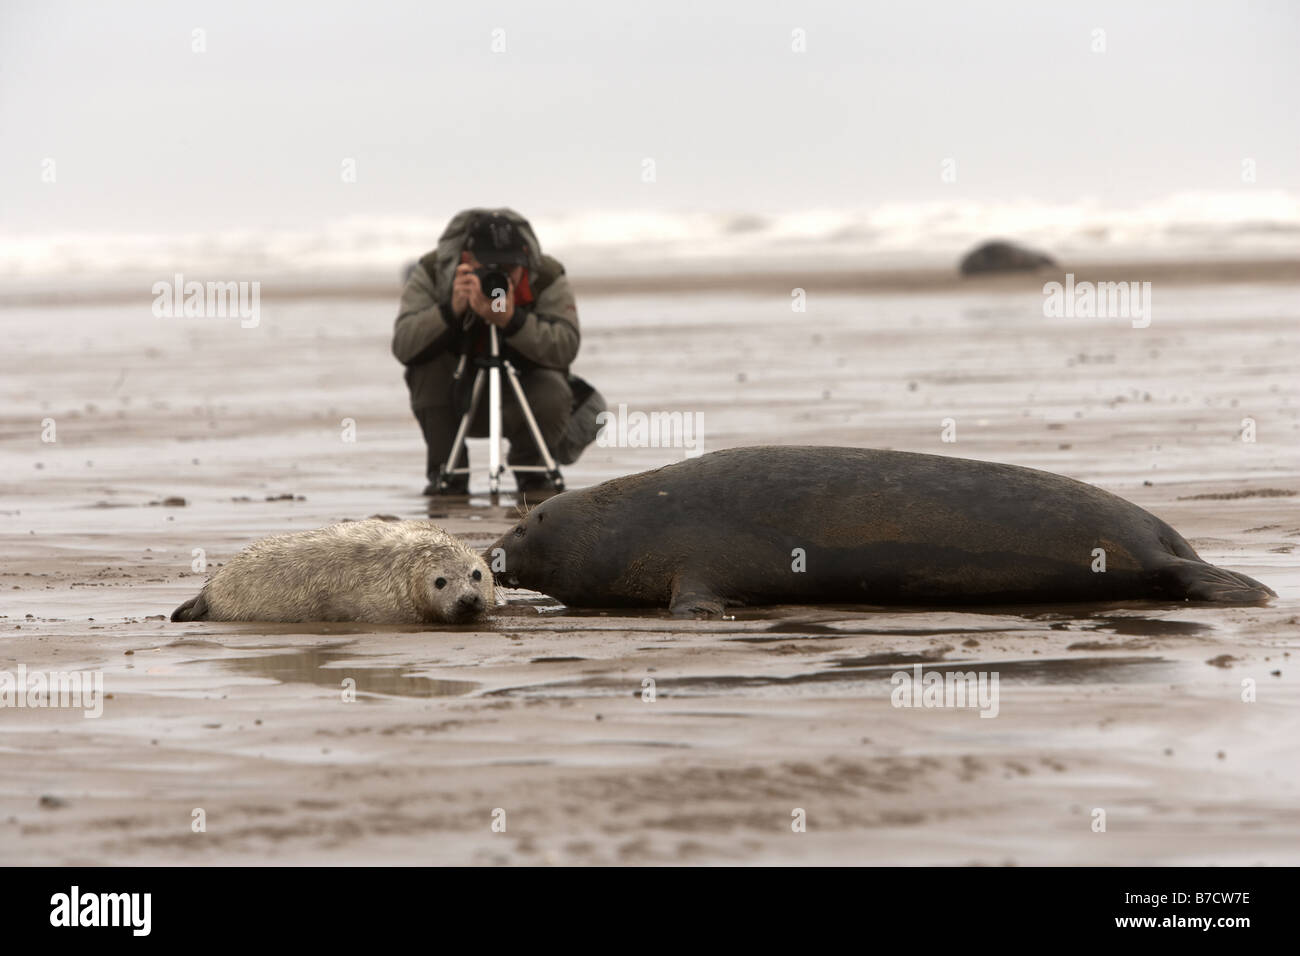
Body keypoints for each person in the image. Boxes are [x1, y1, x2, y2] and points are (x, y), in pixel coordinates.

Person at [392, 208, 603, 495]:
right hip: (458, 398)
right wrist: (450, 311)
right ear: (468, 261)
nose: (500, 280)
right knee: (426, 369)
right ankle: (448, 472)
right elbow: (404, 344)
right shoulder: (435, 271)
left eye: (509, 270)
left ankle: (534, 471)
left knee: (553, 385)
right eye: (490, 269)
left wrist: (512, 321)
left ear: (526, 258)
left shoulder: (545, 275)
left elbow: (565, 346)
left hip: (522, 399)